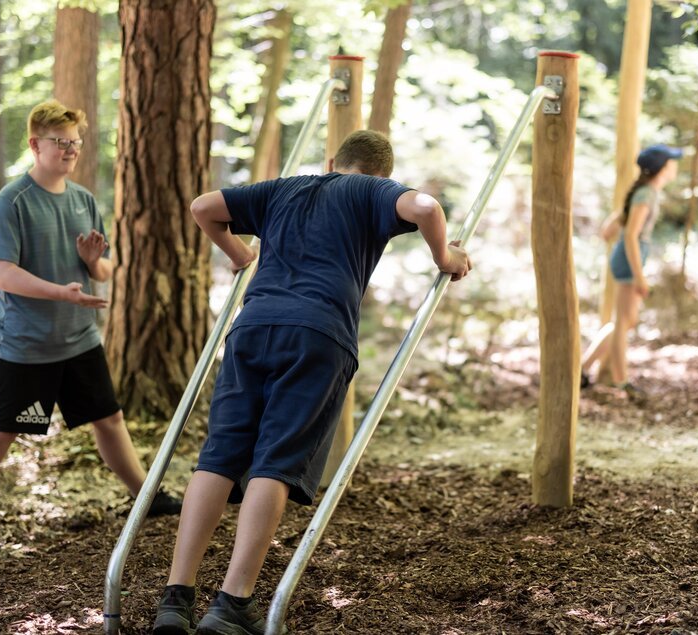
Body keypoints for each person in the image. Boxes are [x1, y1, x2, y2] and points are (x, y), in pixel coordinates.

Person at [150, 130, 472, 635]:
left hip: (252, 328)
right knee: (275, 462)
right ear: (379, 173)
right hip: (318, 335)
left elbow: (203, 206)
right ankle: (232, 602)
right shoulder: (371, 192)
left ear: (332, 162)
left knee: (219, 456)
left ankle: (176, 597)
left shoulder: (285, 188)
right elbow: (427, 206)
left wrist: (237, 253)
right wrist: (445, 259)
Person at [0, 99, 181, 565]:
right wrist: (63, 293)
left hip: (80, 341)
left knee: (109, 419)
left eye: (75, 142)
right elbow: (2, 275)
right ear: (35, 144)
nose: (70, 150)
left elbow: (105, 271)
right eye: (60, 142)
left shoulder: (83, 199)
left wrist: (93, 262)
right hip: (27, 346)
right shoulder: (13, 201)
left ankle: (148, 498)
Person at [580, 144, 681, 397]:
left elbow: (610, 231)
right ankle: (621, 380)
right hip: (629, 259)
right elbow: (631, 237)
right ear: (662, 168)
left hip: (629, 257)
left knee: (624, 322)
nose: (675, 165)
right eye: (672, 161)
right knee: (625, 322)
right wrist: (639, 276)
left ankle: (582, 369)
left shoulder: (644, 192)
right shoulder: (646, 194)